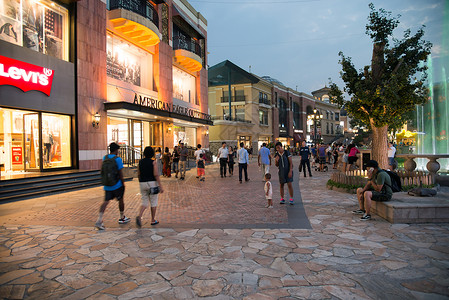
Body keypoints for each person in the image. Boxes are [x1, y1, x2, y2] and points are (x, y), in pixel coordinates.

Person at [95, 142, 130, 230]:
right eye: (118, 149)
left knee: (106, 202)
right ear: (116, 150)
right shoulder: (118, 159)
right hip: (117, 184)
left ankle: (99, 220)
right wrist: (123, 183)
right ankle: (122, 217)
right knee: (121, 199)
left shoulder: (105, 158)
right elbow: (120, 173)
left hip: (107, 185)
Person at [136, 146, 164, 228]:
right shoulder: (153, 162)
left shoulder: (140, 162)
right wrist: (160, 185)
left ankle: (139, 216)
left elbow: (138, 173)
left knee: (144, 201)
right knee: (153, 201)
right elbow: (156, 174)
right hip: (152, 183)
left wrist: (140, 181)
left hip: (142, 183)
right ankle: (153, 219)